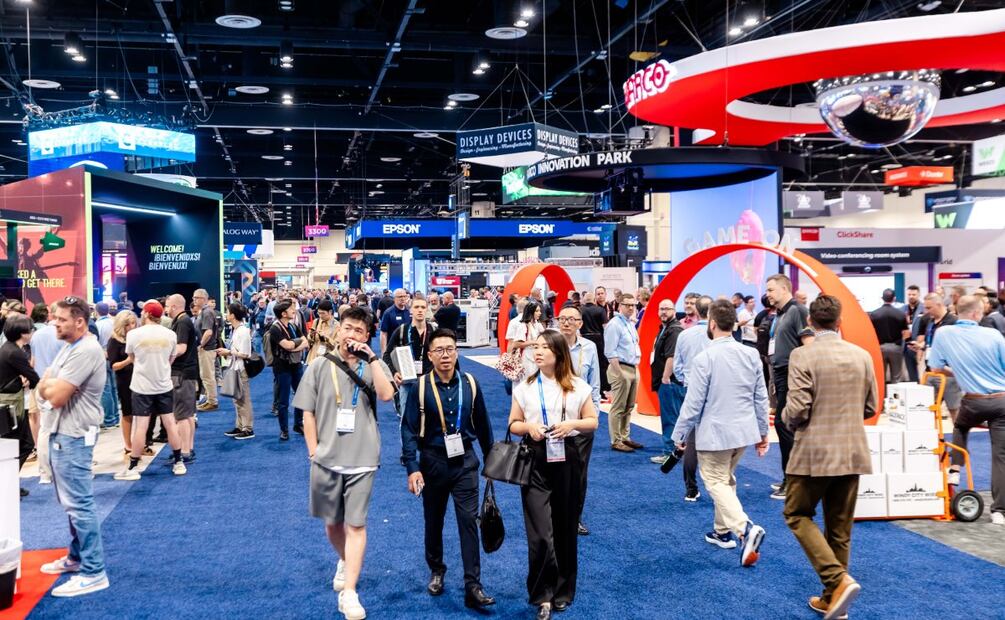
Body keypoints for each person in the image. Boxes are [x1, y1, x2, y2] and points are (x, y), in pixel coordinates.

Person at [293, 306, 395, 620]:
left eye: (359, 331)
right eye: (348, 328)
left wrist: (373, 358)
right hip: (326, 459)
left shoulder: (372, 364)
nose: (352, 334)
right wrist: (313, 452)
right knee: (332, 524)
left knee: (356, 524)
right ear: (339, 330)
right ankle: (345, 560)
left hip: (363, 458)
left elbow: (387, 395)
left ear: (367, 336)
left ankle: (350, 592)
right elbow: (307, 413)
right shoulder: (319, 364)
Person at [783, 294, 877, 618]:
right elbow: (870, 406)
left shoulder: (802, 355)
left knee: (796, 513)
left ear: (810, 321)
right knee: (839, 529)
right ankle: (834, 599)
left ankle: (837, 582)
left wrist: (784, 418)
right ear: (839, 321)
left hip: (813, 453)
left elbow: (798, 409)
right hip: (851, 451)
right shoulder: (861, 355)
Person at [399, 328, 495, 608]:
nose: (445, 355)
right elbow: (408, 430)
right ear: (429, 355)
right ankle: (437, 569)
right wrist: (412, 467)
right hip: (433, 463)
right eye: (439, 350)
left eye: (450, 349)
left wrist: (491, 462)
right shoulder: (420, 387)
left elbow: (483, 424)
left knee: (469, 522)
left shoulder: (470, 383)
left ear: (456, 352)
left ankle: (473, 585)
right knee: (434, 520)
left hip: (465, 462)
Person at [508, 330, 599, 619]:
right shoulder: (525, 386)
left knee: (565, 528)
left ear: (558, 353)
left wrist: (571, 424)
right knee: (539, 534)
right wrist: (529, 428)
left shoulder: (578, 386)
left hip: (566, 457)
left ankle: (563, 590)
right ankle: (542, 594)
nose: (538, 351)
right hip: (534, 458)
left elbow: (592, 421)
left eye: (544, 347)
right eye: (536, 346)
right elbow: (513, 424)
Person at [671, 301, 770, 567]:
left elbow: (693, 403)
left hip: (715, 434)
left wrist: (679, 434)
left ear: (712, 324)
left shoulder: (705, 358)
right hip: (743, 433)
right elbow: (760, 397)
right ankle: (722, 532)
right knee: (725, 480)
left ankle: (744, 529)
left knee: (715, 481)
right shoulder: (750, 354)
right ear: (734, 324)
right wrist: (763, 432)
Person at [36, 296, 110, 597]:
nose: (54, 323)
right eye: (54, 318)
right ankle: (77, 558)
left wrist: (49, 386)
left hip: (74, 436)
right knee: (71, 504)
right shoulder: (69, 347)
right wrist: (48, 386)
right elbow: (44, 384)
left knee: (80, 505)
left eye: (61, 319)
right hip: (63, 433)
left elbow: (54, 395)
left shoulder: (86, 350)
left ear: (79, 321)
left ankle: (94, 571)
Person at [927, 294, 1005, 525]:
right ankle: (999, 511)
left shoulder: (943, 333)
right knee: (1001, 456)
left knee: (960, 426)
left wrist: (959, 372)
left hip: (972, 401)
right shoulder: (993, 335)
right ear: (975, 313)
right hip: (1001, 401)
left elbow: (935, 367)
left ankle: (955, 470)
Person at [114, 301, 187, 479]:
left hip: (142, 386)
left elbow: (132, 358)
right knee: (170, 423)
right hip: (163, 384)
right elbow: (170, 359)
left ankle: (133, 467)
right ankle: (179, 462)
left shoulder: (134, 335)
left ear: (146, 314)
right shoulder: (170, 335)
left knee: (141, 426)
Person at [556, 306, 601, 536]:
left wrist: (595, 414)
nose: (566, 323)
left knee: (579, 472)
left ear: (580, 324)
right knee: (554, 469)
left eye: (571, 319)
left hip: (581, 420)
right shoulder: (550, 344)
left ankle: (575, 518)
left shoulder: (589, 348)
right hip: (555, 419)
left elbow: (595, 383)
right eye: (562, 319)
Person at [766, 273, 808, 500]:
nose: (768, 294)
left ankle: (793, 482)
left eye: (771, 290)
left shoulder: (798, 311)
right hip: (781, 374)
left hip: (793, 375)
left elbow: (809, 345)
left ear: (784, 289)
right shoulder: (781, 314)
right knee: (783, 426)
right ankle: (789, 478)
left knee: (784, 425)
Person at [669, 296, 712, 501]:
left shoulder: (685, 335)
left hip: (691, 389)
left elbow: (677, 366)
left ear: (697, 310)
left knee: (691, 440)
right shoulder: (717, 337)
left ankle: (691, 489)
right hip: (715, 393)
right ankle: (719, 485)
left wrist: (686, 380)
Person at [0, 314, 40, 498]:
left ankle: (9, 483)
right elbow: (33, 377)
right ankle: (7, 484)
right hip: (11, 406)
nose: (32, 333)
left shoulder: (7, 348)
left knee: (20, 444)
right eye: (30, 330)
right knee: (21, 445)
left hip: (11, 403)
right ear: (23, 333)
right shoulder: (15, 352)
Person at [912, 293, 961, 436]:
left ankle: (960, 442)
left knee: (954, 410)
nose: (926, 311)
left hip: (948, 373)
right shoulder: (929, 321)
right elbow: (931, 342)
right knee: (927, 409)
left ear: (939, 305)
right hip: (930, 371)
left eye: (929, 308)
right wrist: (921, 346)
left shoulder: (954, 321)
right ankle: (929, 441)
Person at [604, 294, 643, 453]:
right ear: (620, 306)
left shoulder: (629, 323)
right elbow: (610, 351)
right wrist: (618, 372)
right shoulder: (614, 324)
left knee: (629, 406)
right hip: (620, 367)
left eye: (633, 305)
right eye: (627, 305)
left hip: (632, 367)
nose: (631, 308)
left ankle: (625, 437)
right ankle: (616, 440)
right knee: (618, 407)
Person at [384, 295, 433, 419]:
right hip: (407, 383)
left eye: (423, 307)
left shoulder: (434, 331)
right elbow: (386, 355)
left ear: (427, 309)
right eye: (416, 307)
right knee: (406, 420)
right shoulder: (402, 330)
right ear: (410, 310)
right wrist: (394, 373)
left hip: (429, 382)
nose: (420, 310)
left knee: (430, 420)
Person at [650, 299, 686, 467]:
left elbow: (671, 356)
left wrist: (665, 378)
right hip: (666, 381)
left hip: (669, 382)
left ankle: (669, 453)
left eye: (667, 309)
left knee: (670, 418)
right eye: (661, 309)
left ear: (674, 311)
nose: (663, 312)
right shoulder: (665, 328)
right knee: (671, 417)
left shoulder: (674, 330)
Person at [165, 294, 199, 462]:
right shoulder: (184, 321)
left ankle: (184, 451)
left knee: (181, 416)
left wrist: (165, 356)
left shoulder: (182, 322)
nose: (166, 310)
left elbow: (181, 348)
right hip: (187, 373)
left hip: (181, 374)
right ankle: (188, 448)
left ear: (174, 306)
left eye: (167, 306)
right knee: (188, 414)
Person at [270, 299, 310, 440]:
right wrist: (296, 345)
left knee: (301, 396)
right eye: (291, 308)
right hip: (282, 368)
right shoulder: (275, 328)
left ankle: (298, 424)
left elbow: (305, 341)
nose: (294, 310)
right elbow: (287, 346)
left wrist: (294, 346)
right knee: (283, 401)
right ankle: (284, 430)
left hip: (296, 364)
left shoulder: (293, 325)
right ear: (283, 313)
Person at [106, 311, 141, 461]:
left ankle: (140, 444)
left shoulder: (137, 338)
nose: (132, 326)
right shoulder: (114, 341)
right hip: (125, 380)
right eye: (128, 324)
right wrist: (129, 360)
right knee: (128, 413)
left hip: (140, 378)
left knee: (142, 413)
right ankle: (128, 445)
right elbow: (114, 365)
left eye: (134, 323)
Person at [218, 303, 255, 440]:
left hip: (240, 369)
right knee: (237, 399)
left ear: (233, 315)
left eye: (228, 312)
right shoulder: (237, 330)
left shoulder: (243, 331)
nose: (226, 315)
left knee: (243, 399)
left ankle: (248, 428)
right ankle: (240, 426)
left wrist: (228, 352)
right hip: (234, 367)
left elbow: (245, 354)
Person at [870, 289, 909, 384]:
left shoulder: (874, 314)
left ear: (882, 298)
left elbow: (871, 333)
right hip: (896, 348)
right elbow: (906, 332)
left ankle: (882, 393)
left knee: (880, 377)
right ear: (894, 299)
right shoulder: (900, 314)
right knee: (896, 378)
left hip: (880, 348)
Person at [193, 288, 220, 412]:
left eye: (196, 297)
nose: (194, 300)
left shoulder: (207, 312)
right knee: (205, 375)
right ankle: (210, 399)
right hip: (206, 348)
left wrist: (201, 345)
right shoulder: (204, 312)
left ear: (203, 299)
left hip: (207, 348)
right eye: (194, 297)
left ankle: (212, 401)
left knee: (208, 376)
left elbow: (208, 332)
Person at [94, 302, 119, 429]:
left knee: (105, 389)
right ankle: (115, 417)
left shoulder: (97, 325)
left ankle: (109, 419)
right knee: (113, 388)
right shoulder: (114, 323)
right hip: (114, 358)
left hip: (102, 358)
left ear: (96, 311)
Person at [506, 301, 546, 380]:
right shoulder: (523, 325)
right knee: (527, 380)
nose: (540, 313)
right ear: (531, 312)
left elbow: (544, 334)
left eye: (540, 311)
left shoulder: (537, 323)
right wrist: (534, 342)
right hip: (527, 357)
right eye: (537, 311)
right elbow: (516, 344)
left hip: (536, 355)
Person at [582, 290, 610, 395]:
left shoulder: (580, 310)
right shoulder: (600, 310)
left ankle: (585, 388)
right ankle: (602, 389)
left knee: (585, 364)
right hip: (598, 339)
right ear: (594, 300)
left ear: (584, 300)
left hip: (584, 339)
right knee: (600, 365)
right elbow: (606, 327)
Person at [307, 299, 339, 364]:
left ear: (330, 312)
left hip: (327, 360)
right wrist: (311, 335)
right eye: (319, 313)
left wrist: (326, 338)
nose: (320, 316)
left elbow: (337, 346)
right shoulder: (316, 321)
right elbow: (309, 340)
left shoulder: (337, 326)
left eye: (323, 313)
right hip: (312, 358)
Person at [379, 289, 411, 354]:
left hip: (407, 348)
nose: (403, 299)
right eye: (400, 297)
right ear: (394, 299)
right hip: (393, 349)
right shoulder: (388, 313)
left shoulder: (409, 312)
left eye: (404, 296)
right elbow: (383, 334)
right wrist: (383, 352)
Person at [904, 285, 923, 382]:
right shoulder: (902, 309)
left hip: (919, 345)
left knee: (922, 373)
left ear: (918, 295)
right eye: (909, 294)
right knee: (911, 375)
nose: (911, 296)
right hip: (906, 346)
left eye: (914, 294)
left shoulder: (924, 309)